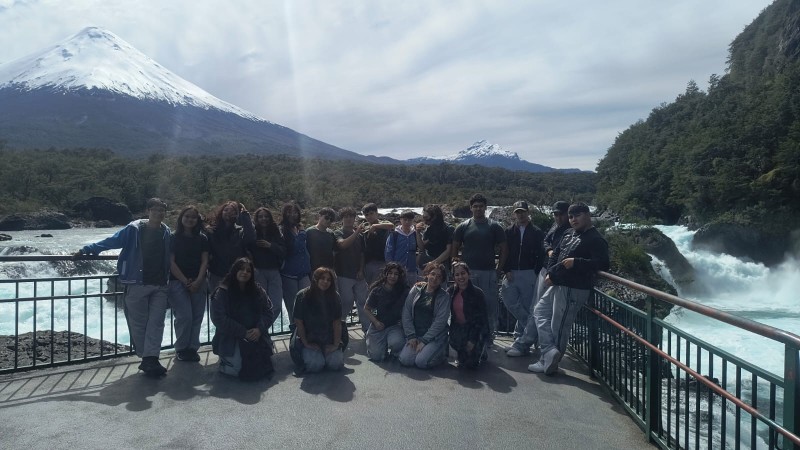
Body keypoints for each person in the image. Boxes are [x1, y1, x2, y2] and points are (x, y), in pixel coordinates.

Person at [75, 198, 171, 377]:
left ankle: (151, 358)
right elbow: (112, 241)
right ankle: (147, 358)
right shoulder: (134, 229)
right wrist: (88, 249)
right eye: (155, 210)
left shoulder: (166, 231)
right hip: (136, 283)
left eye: (162, 210)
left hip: (159, 285)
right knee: (138, 323)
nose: (159, 213)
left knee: (157, 323)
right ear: (148, 210)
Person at [528, 203, 609, 375]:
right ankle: (549, 351)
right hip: (558, 283)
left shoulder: (595, 239)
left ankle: (549, 363)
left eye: (577, 215)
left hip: (574, 287)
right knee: (539, 311)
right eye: (571, 217)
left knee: (559, 326)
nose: (573, 220)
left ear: (588, 215)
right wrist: (550, 274)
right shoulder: (568, 233)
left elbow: (603, 264)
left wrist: (577, 262)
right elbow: (555, 254)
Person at [451, 193, 508, 338]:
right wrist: (456, 265)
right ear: (471, 208)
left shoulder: (495, 226)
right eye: (475, 206)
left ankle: (488, 336)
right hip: (467, 275)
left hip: (488, 273)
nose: (478, 209)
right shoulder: (463, 227)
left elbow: (504, 249)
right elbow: (455, 247)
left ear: (485, 208)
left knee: (489, 306)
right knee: (466, 306)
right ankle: (469, 335)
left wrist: (498, 269)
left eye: (481, 206)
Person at [210, 257, 274, 380]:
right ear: (234, 271)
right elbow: (219, 319)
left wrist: (259, 329)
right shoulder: (222, 292)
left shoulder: (258, 290)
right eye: (241, 269)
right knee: (238, 368)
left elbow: (268, 311)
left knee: (260, 366)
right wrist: (243, 332)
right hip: (232, 337)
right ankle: (225, 360)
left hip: (255, 334)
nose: (244, 272)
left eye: (248, 271)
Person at [501, 201, 546, 357]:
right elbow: (504, 252)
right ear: (514, 213)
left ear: (528, 212)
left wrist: (536, 271)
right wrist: (506, 269)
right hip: (511, 272)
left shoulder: (537, 232)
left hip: (529, 273)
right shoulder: (508, 231)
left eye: (523, 212)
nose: (520, 215)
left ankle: (520, 342)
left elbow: (542, 254)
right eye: (518, 212)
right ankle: (531, 332)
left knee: (527, 306)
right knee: (509, 300)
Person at [169, 205, 210, 362]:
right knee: (184, 316)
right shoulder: (173, 237)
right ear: (181, 218)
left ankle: (192, 348)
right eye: (187, 216)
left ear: (197, 220)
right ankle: (181, 348)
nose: (190, 219)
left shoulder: (202, 238)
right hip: (177, 282)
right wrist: (185, 281)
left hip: (199, 282)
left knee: (197, 316)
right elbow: (171, 262)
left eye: (193, 217)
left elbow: (204, 261)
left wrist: (199, 280)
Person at [292, 267, 344, 373]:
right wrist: (306, 343)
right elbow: (299, 322)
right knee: (315, 365)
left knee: (336, 364)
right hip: (309, 338)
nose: (325, 282)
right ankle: (311, 356)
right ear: (315, 279)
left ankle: (325, 356)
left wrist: (335, 344)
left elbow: (337, 323)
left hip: (328, 338)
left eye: (329, 280)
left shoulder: (335, 296)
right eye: (322, 278)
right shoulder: (302, 296)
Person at [399, 263, 450, 369]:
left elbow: (440, 322)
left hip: (434, 337)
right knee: (405, 360)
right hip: (416, 334)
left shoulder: (444, 296)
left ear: (442, 280)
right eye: (433, 274)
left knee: (420, 362)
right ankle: (424, 351)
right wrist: (411, 336)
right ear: (427, 275)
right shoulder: (416, 289)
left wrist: (424, 341)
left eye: (439, 276)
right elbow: (406, 312)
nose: (435, 278)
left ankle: (442, 352)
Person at [363, 262, 409, 362]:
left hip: (394, 326)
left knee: (396, 344)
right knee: (376, 356)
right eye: (390, 273)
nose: (393, 276)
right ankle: (375, 344)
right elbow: (367, 309)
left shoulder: (402, 290)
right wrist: (375, 322)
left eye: (396, 274)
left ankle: (395, 349)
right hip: (377, 326)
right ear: (386, 274)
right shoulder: (376, 291)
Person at [249, 207, 286, 329]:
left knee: (276, 305)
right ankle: (260, 333)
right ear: (256, 218)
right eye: (260, 216)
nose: (263, 219)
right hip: (258, 272)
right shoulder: (252, 232)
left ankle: (261, 330)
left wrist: (271, 246)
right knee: (259, 305)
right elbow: (246, 246)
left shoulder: (276, 232)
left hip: (274, 271)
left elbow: (283, 251)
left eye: (266, 216)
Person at [448, 262, 490, 369]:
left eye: (463, 273)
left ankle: (482, 348)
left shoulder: (478, 293)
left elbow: (481, 320)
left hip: (476, 330)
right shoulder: (451, 291)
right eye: (457, 275)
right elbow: (437, 294)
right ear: (454, 277)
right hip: (459, 329)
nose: (460, 277)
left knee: (471, 365)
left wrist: (472, 340)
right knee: (463, 362)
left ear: (468, 274)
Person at [334, 207, 369, 331]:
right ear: (342, 219)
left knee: (363, 302)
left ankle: (367, 329)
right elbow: (342, 245)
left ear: (355, 218)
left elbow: (362, 254)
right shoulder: (338, 233)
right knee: (346, 302)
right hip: (343, 274)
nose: (348, 219)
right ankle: (340, 326)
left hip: (358, 275)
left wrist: (360, 270)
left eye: (351, 216)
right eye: (346, 216)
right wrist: (356, 232)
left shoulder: (360, 235)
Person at [207, 201, 255, 290]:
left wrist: (245, 215)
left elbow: (251, 237)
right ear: (221, 212)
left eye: (233, 211)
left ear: (237, 215)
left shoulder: (240, 231)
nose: (229, 212)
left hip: (236, 275)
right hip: (216, 273)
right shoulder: (212, 231)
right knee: (217, 301)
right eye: (226, 210)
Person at [279, 202, 311, 323]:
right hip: (289, 274)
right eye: (289, 212)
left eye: (295, 212)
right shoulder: (282, 230)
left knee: (307, 302)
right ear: (284, 214)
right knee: (292, 305)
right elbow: (295, 247)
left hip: (303, 273)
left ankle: (306, 330)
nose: (293, 215)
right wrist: (302, 233)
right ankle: (295, 332)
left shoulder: (298, 228)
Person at [415, 204, 454, 276]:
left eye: (427, 218)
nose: (425, 221)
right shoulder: (429, 229)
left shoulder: (448, 229)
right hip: (427, 262)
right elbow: (422, 248)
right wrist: (417, 233)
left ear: (435, 217)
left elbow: (448, 251)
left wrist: (433, 263)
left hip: (442, 263)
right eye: (423, 217)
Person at [361, 203, 395, 285]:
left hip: (382, 260)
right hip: (368, 261)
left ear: (377, 213)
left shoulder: (383, 223)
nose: (369, 216)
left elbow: (391, 225)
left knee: (377, 285)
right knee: (367, 286)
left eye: (371, 213)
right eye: (366, 215)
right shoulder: (364, 226)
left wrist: (375, 226)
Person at [385, 210, 418, 287]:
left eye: (409, 220)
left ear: (413, 220)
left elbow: (420, 250)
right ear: (400, 220)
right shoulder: (394, 234)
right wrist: (390, 269)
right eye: (405, 219)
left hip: (412, 270)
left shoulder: (415, 234)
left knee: (411, 294)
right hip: (397, 271)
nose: (407, 222)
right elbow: (388, 252)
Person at [306, 208, 337, 272]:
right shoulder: (309, 232)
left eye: (331, 219)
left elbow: (333, 252)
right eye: (326, 217)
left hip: (327, 271)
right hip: (312, 270)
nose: (328, 220)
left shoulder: (331, 234)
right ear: (319, 216)